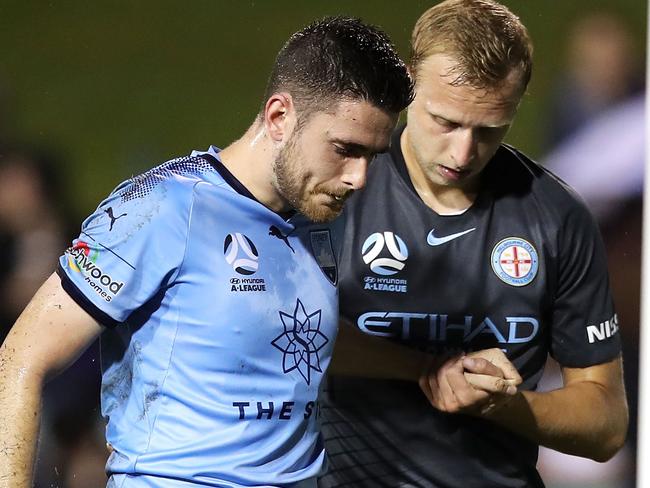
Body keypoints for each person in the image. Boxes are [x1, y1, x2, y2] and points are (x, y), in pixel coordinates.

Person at [0, 16, 413, 488]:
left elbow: (300, 342)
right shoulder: (164, 205)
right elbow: (21, 357)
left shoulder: (323, 218)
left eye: (372, 157)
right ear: (279, 117)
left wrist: (426, 370)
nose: (359, 177)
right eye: (345, 149)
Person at [318, 1, 629, 487]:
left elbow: (606, 425)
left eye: (489, 130)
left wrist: (506, 405)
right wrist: (427, 368)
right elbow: (286, 338)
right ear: (407, 82)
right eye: (445, 121)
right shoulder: (337, 194)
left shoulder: (558, 218)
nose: (463, 154)